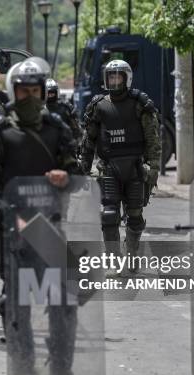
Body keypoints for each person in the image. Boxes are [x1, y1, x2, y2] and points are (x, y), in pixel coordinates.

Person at [0, 57, 80, 375]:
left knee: (62, 297)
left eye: (36, 90)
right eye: (24, 91)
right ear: (12, 93)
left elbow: (76, 168)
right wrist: (4, 208)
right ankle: (22, 366)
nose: (31, 97)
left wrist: (67, 177)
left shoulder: (58, 128)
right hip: (10, 229)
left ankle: (62, 369)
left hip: (48, 226)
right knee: (17, 299)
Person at [78, 59, 161, 271]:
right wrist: (83, 168)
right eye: (111, 76)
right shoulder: (98, 106)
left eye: (118, 76)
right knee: (109, 215)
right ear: (106, 79)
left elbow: (152, 138)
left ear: (127, 78)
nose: (114, 81)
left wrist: (154, 167)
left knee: (135, 215)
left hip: (135, 168)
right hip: (108, 169)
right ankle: (115, 261)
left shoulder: (140, 104)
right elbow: (89, 139)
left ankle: (132, 258)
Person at [45, 78, 82, 145]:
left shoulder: (65, 108)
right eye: (48, 93)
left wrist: (76, 143)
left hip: (64, 143)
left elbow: (75, 128)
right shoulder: (39, 108)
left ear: (56, 92)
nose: (50, 95)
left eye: (52, 93)